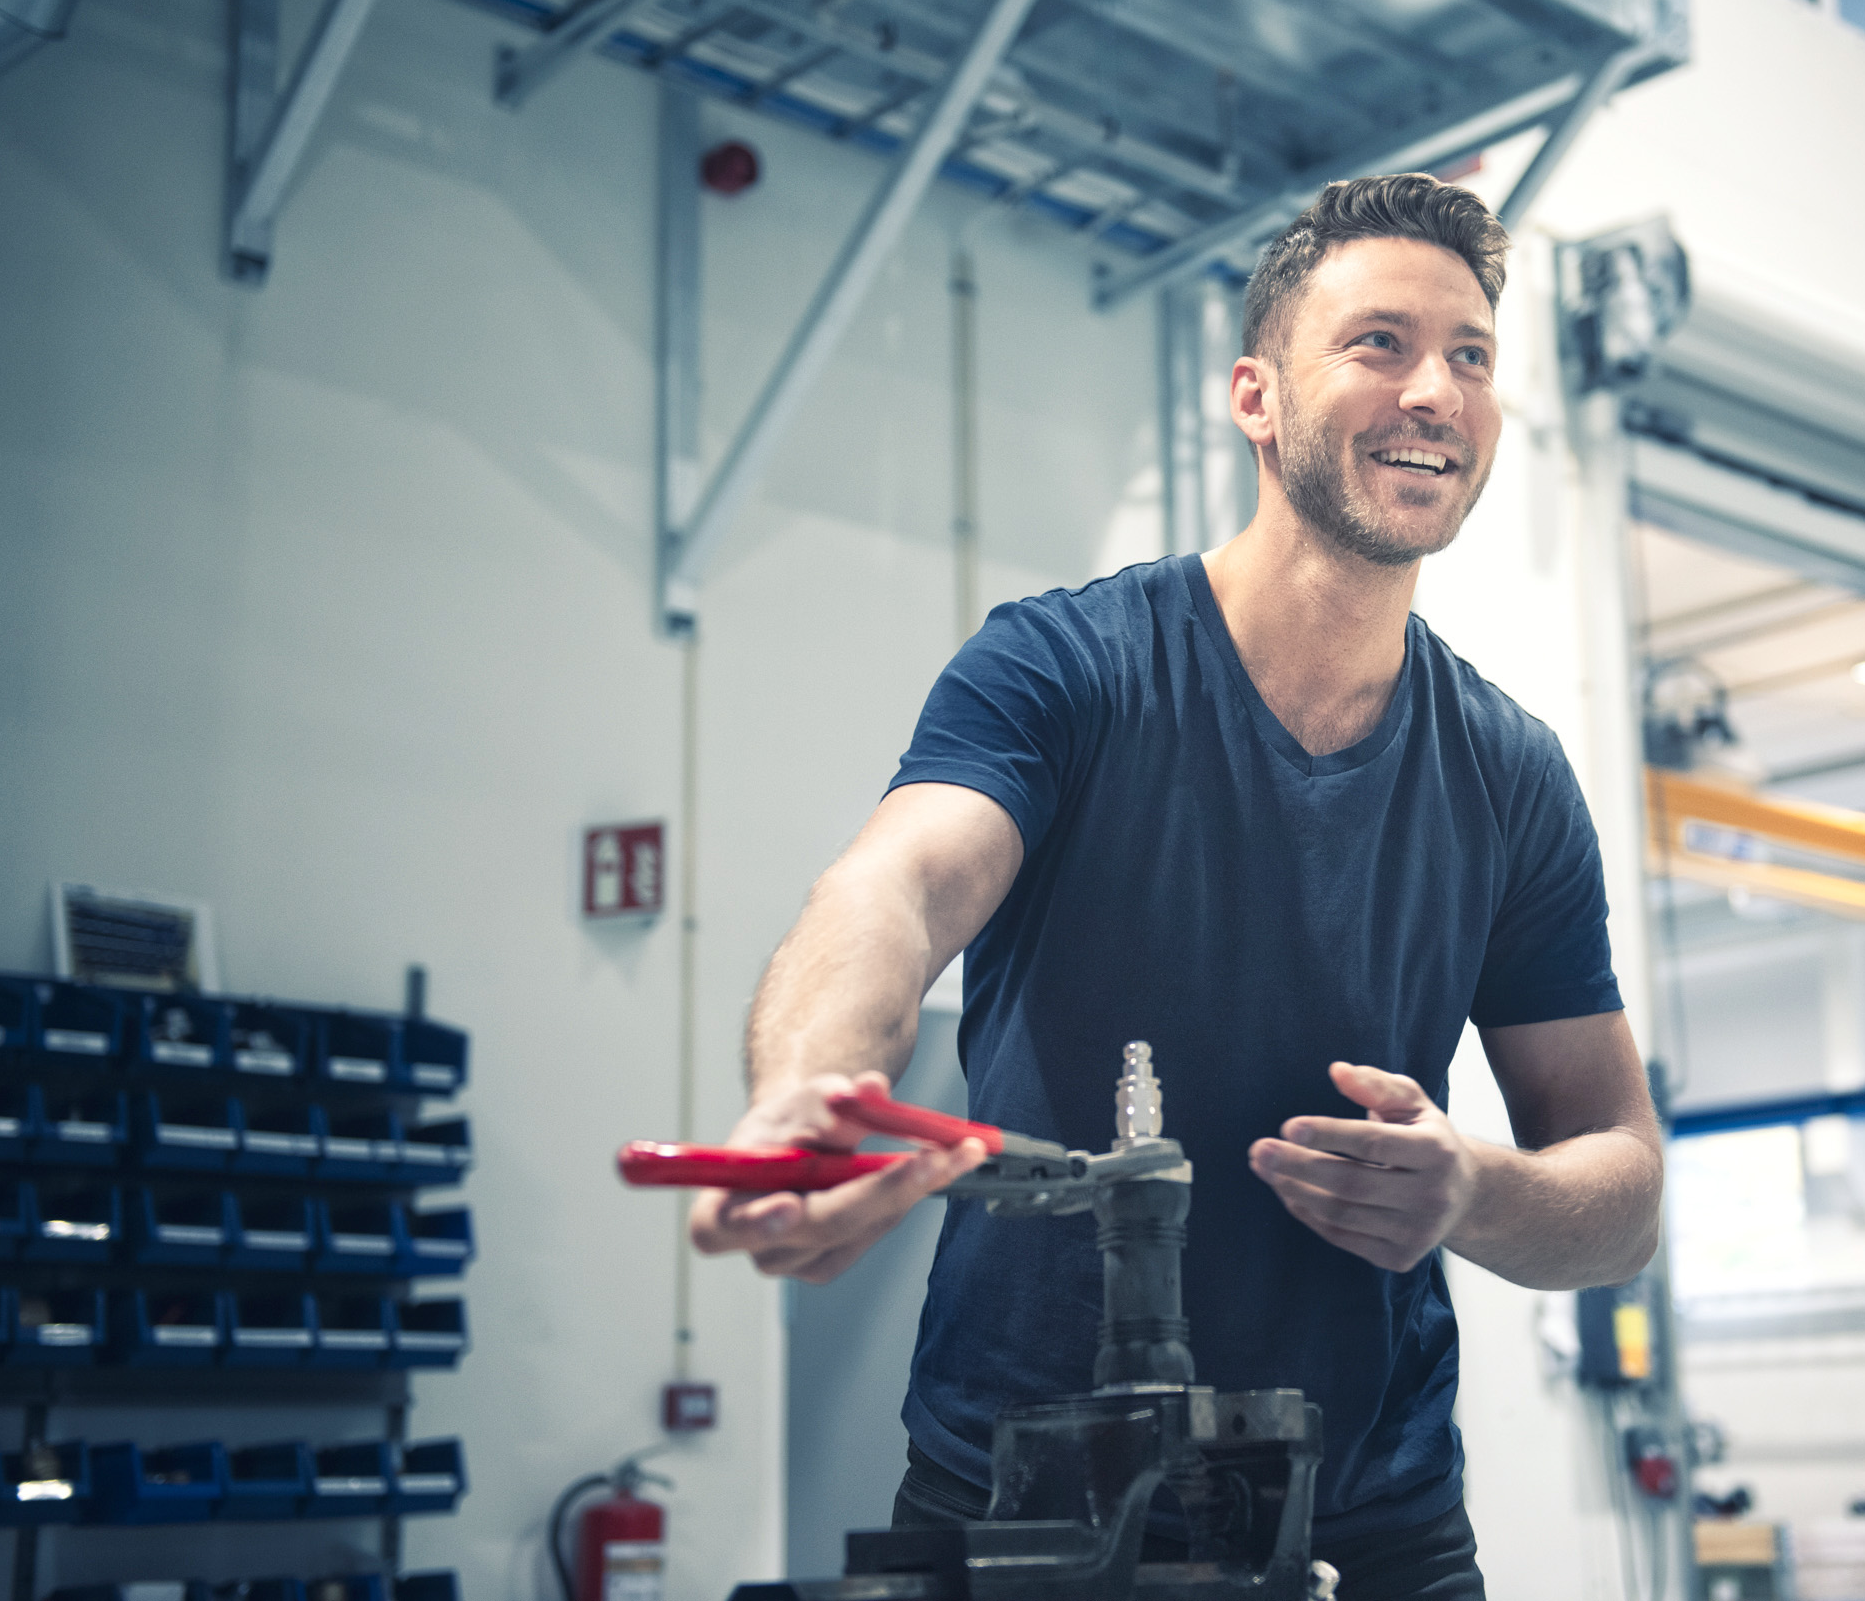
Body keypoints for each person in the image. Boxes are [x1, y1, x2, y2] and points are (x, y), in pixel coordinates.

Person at [690, 173, 1663, 1600]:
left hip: (1373, 1525)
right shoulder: (1069, 669)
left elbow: (1622, 1185)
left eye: (1470, 356)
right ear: (1256, 397)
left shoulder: (1511, 776)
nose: (1437, 393)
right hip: (1025, 1500)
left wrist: (1474, 1191)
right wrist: (816, 1089)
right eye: (1380, 343)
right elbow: (892, 891)